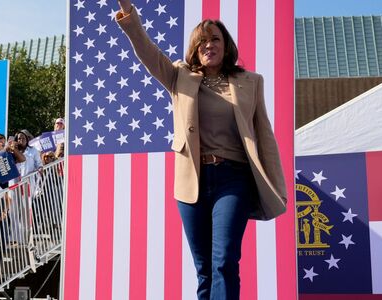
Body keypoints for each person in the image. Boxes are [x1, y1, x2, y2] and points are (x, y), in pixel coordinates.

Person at [115, 1, 288, 299]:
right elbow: (147, 51)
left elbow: (265, 138)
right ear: (195, 49)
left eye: (215, 39)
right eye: (202, 41)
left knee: (224, 262)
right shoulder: (178, 76)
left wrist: (277, 186)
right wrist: (129, 15)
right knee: (204, 267)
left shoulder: (250, 82)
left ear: (226, 45)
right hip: (192, 181)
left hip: (234, 179)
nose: (209, 45)